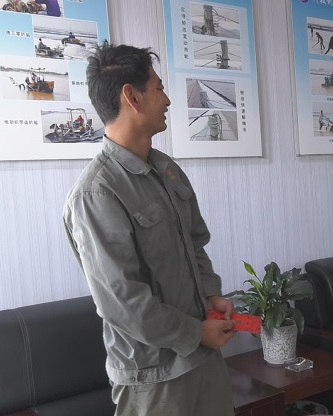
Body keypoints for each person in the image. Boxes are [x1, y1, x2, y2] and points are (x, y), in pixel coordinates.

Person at [63, 44, 236, 416]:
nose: (168, 99)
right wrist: (195, 334)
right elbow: (122, 301)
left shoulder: (166, 169)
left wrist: (210, 294)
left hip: (203, 358)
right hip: (154, 376)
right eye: (158, 88)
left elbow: (195, 243)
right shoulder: (97, 193)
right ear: (132, 97)